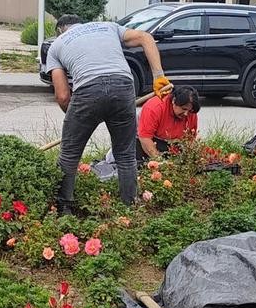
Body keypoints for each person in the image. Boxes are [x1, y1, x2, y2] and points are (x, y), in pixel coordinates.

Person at [45, 13, 168, 210]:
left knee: (69, 156)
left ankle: (64, 211)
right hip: (123, 85)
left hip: (88, 90)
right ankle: (130, 207)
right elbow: (146, 37)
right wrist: (159, 76)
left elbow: (62, 96)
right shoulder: (108, 27)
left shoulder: (57, 45)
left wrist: (79, 118)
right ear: (82, 24)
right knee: (125, 155)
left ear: (60, 30)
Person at [137, 86, 200, 160]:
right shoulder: (154, 108)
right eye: (183, 109)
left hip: (171, 143)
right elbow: (145, 138)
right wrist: (160, 161)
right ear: (174, 101)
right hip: (145, 140)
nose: (186, 114)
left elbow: (190, 140)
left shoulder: (191, 112)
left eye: (189, 111)